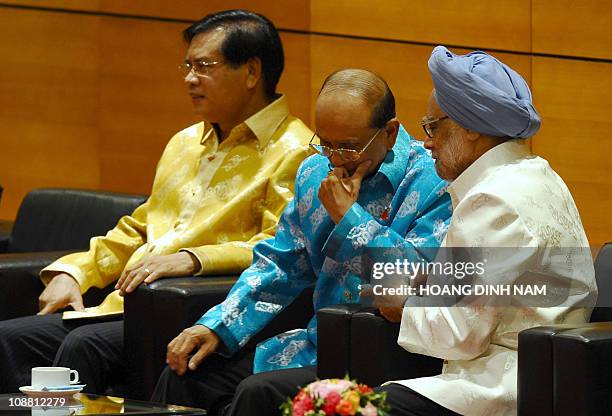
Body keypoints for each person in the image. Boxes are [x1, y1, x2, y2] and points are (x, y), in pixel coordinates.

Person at [0, 9, 313, 394]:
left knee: (85, 346)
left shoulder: (298, 151)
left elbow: (280, 248)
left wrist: (194, 258)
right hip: (128, 303)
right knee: (10, 339)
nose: (189, 78)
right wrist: (78, 272)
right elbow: (141, 224)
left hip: (200, 309)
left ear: (251, 72)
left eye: (204, 66)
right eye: (187, 65)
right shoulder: (185, 142)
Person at [151, 68, 452, 416]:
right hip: (314, 345)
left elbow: (414, 279)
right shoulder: (313, 172)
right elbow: (280, 264)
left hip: (385, 353)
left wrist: (349, 217)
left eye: (349, 147)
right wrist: (218, 325)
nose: (335, 158)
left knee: (257, 393)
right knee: (185, 373)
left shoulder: (432, 178)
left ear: (389, 131)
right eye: (326, 143)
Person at [373, 46, 597, 416]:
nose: (426, 141)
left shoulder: (492, 199)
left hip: (507, 384)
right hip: (545, 374)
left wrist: (403, 304)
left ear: (472, 128)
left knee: (354, 406)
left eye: (433, 127)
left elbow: (460, 336)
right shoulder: (538, 173)